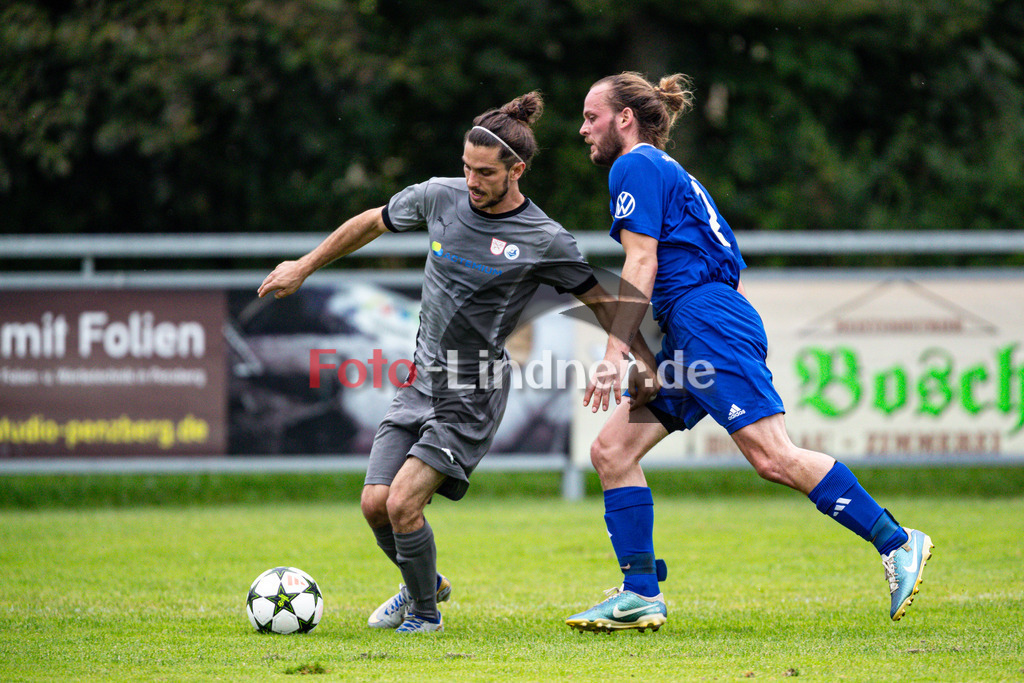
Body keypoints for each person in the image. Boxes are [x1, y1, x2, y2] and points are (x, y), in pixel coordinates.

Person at [258, 91, 657, 633]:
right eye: (466, 167)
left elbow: (603, 299)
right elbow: (372, 222)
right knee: (375, 503)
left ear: (516, 170)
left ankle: (425, 617)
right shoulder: (438, 197)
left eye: (485, 173)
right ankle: (426, 583)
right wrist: (303, 266)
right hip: (421, 380)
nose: (471, 181)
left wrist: (639, 360)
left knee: (404, 504)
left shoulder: (544, 239)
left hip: (474, 391)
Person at [565, 72, 934, 633]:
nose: (583, 128)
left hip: (705, 319)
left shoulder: (634, 164)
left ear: (625, 119)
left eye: (592, 116)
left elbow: (643, 264)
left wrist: (618, 348)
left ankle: (898, 541)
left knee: (773, 457)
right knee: (612, 451)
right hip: (698, 323)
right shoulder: (669, 172)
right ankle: (640, 593)